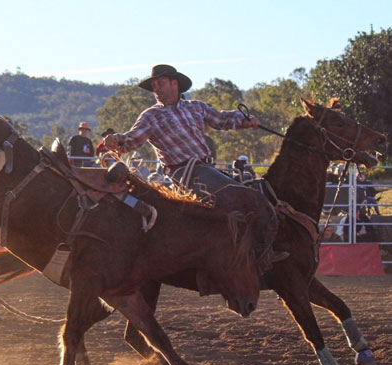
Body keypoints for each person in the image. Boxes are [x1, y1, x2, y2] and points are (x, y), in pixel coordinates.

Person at [102, 64, 283, 262]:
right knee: (243, 195)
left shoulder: (196, 107)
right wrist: (116, 140)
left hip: (206, 168)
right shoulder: (151, 116)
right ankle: (261, 254)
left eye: (160, 84)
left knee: (253, 189)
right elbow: (131, 139)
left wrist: (245, 120)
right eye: (154, 86)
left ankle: (254, 248)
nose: (156, 89)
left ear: (174, 83)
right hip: (184, 173)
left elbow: (222, 119)